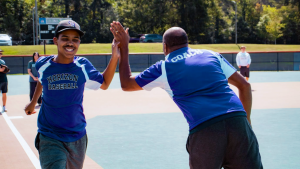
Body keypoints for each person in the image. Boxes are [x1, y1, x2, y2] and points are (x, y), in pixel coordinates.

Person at [110, 22, 263, 169]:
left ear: (165, 47)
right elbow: (245, 85)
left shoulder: (164, 67)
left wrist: (124, 47)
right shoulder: (211, 55)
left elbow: (126, 84)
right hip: (238, 122)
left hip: (205, 129)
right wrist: (246, 123)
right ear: (187, 43)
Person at [24, 20, 120, 169]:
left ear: (79, 42)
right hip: (50, 135)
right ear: (56, 41)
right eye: (65, 38)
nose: (70, 43)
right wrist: (33, 101)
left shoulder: (82, 66)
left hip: (77, 135)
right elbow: (42, 79)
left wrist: (114, 57)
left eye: (75, 40)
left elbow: (105, 83)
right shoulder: (43, 64)